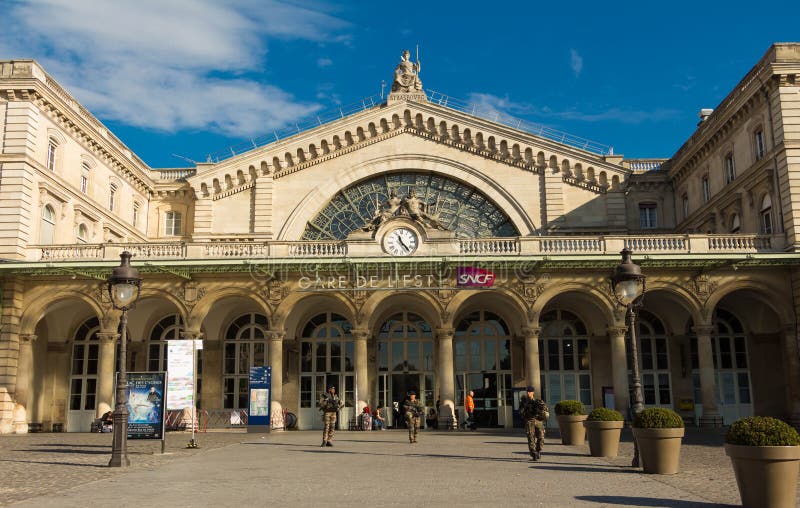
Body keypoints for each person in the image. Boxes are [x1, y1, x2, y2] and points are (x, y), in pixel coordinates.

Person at [519, 386, 549, 461]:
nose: (528, 393)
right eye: (527, 392)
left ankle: (538, 450)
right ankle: (533, 453)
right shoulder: (524, 402)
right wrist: (525, 408)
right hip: (529, 420)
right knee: (531, 437)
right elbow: (520, 412)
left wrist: (541, 410)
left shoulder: (538, 401)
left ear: (533, 392)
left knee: (541, 437)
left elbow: (545, 410)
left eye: (530, 391)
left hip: (538, 420)